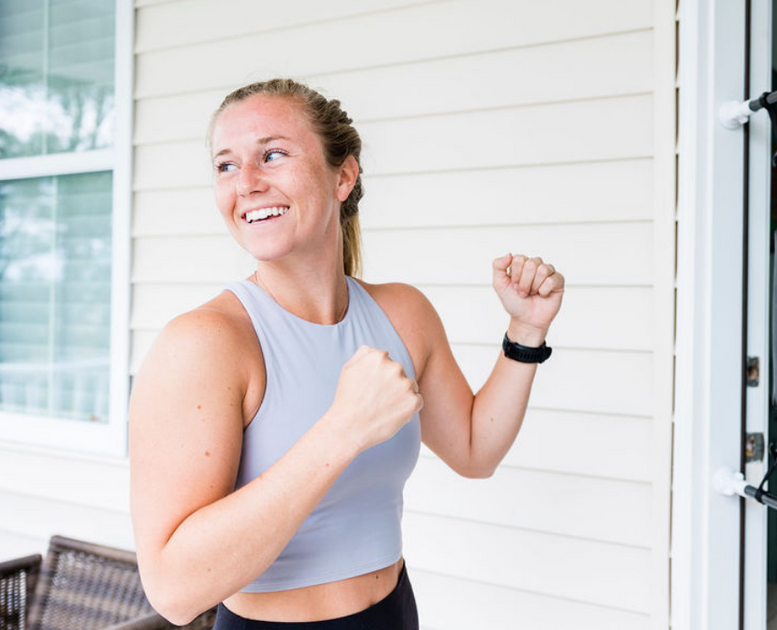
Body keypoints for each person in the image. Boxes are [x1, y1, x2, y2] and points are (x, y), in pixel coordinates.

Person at [128, 78, 564, 630]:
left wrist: (525, 332)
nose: (248, 183)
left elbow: (475, 452)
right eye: (226, 166)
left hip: (394, 614)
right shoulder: (206, 343)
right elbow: (173, 590)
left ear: (344, 176)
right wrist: (341, 430)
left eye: (273, 154)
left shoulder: (403, 313)